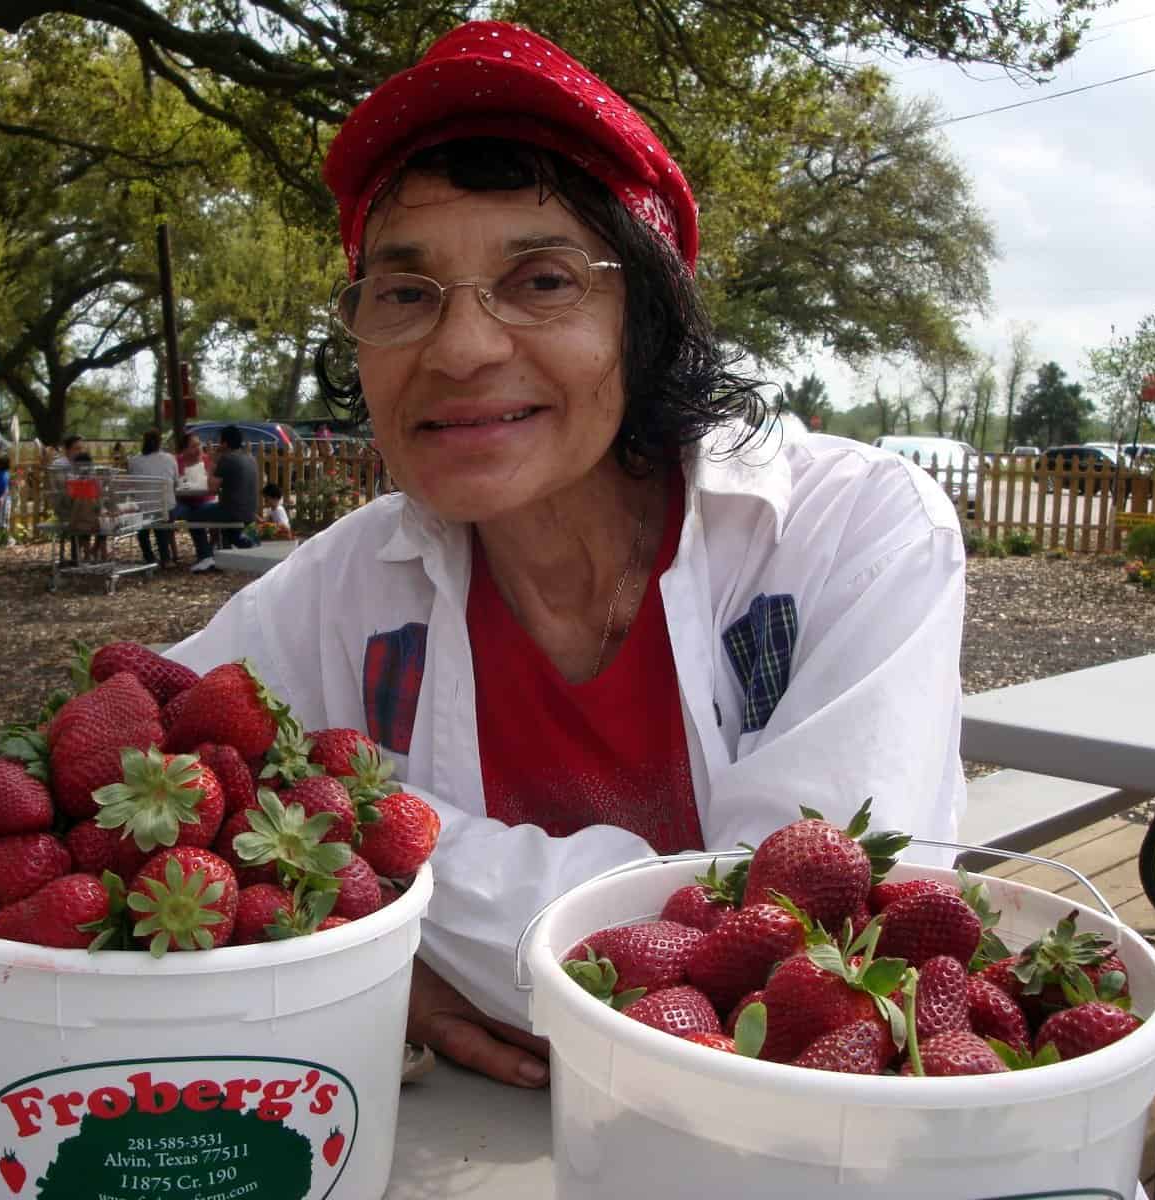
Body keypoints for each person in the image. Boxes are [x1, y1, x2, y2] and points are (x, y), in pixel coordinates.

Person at [164, 21, 965, 1090]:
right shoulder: (346, 583)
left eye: (541, 281)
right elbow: (122, 773)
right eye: (404, 294)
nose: (460, 349)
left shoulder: (846, 532)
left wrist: (375, 876)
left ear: (646, 321)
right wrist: (339, 951)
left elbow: (794, 954)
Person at [175, 425, 260, 573]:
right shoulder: (250, 458)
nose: (218, 444)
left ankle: (205, 557)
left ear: (225, 444)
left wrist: (214, 462)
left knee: (192, 517)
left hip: (231, 511)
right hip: (249, 512)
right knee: (226, 529)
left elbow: (212, 488)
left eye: (220, 441)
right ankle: (248, 544)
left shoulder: (227, 459)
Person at [127, 428, 179, 567]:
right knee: (164, 514)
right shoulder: (169, 458)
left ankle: (149, 557)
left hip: (143, 509)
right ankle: (166, 557)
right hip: (165, 509)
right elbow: (176, 482)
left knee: (144, 522)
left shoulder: (134, 461)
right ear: (160, 443)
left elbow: (132, 484)